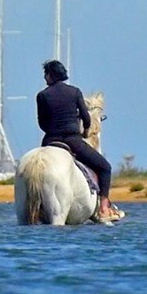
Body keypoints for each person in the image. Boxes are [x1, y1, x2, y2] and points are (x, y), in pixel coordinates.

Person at [36, 59, 115, 219]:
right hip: (72, 140)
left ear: (50, 75)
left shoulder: (42, 95)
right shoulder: (75, 92)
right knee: (105, 167)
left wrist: (52, 131)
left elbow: (42, 123)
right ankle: (104, 208)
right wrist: (85, 131)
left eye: (45, 74)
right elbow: (86, 118)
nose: (45, 78)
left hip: (50, 140)